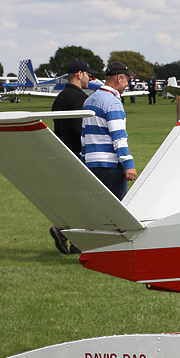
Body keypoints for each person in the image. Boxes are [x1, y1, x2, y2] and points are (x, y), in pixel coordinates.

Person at [49, 58, 97, 254]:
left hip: (62, 153)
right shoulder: (79, 99)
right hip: (77, 154)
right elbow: (80, 130)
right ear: (79, 74)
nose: (90, 78)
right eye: (88, 74)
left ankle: (67, 233)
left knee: (75, 199)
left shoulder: (59, 98)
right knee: (85, 200)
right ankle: (68, 234)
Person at [81, 61, 138, 200]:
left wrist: (83, 160)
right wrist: (128, 165)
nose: (127, 84)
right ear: (119, 78)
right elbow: (119, 137)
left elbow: (84, 135)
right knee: (118, 212)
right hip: (110, 165)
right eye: (127, 79)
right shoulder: (113, 102)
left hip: (90, 163)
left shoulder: (89, 100)